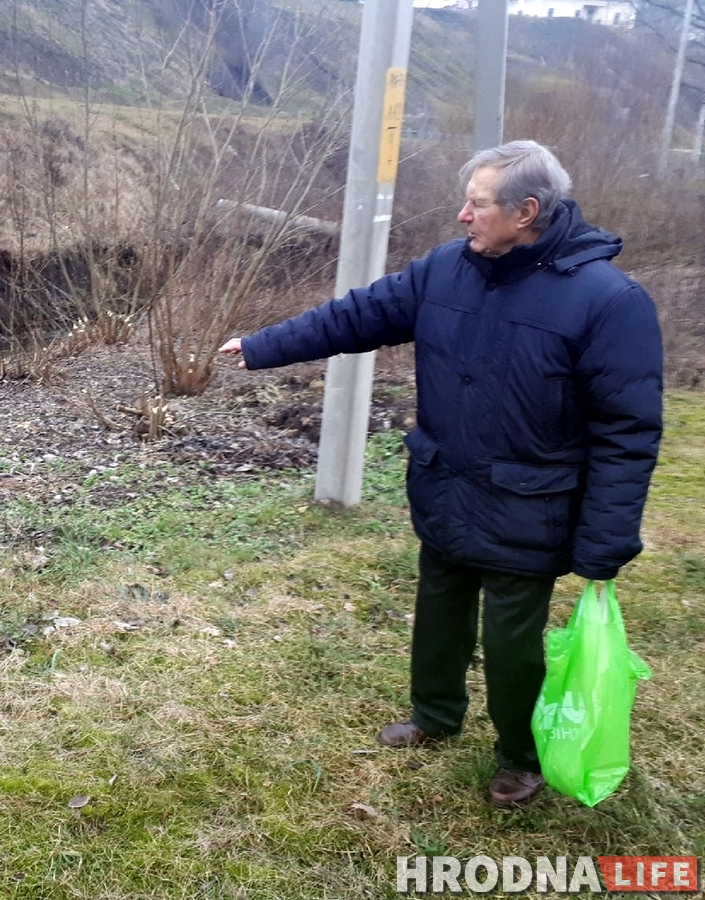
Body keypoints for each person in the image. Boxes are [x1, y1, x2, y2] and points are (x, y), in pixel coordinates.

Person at [219, 140, 663, 807]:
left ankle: (521, 756)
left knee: (511, 642)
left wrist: (606, 540)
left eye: (478, 205)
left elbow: (627, 431)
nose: (462, 216)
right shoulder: (445, 270)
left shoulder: (608, 301)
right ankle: (434, 714)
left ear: (527, 212)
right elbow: (358, 314)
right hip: (446, 483)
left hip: (528, 502)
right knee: (439, 608)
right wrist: (261, 347)